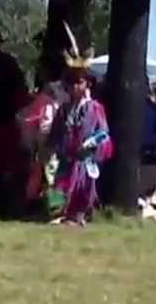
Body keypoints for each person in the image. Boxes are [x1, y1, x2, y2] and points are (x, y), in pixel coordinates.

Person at [46, 58, 112, 225]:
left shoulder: (95, 108)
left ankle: (79, 215)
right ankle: (60, 213)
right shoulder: (63, 109)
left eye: (80, 82)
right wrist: (51, 149)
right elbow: (55, 132)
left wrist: (90, 144)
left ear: (88, 84)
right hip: (66, 156)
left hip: (84, 158)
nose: (75, 86)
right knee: (60, 185)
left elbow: (103, 133)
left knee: (82, 186)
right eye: (72, 82)